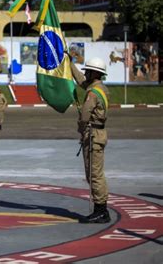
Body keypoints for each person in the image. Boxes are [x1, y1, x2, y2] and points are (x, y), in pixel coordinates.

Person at [70, 57, 111, 224]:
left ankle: (101, 211)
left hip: (93, 135)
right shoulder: (99, 88)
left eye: (88, 71)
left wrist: (80, 130)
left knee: (94, 175)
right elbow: (80, 79)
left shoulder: (93, 93)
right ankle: (100, 209)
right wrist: (69, 62)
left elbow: (85, 115)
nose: (85, 73)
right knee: (93, 174)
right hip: (96, 134)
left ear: (95, 73)